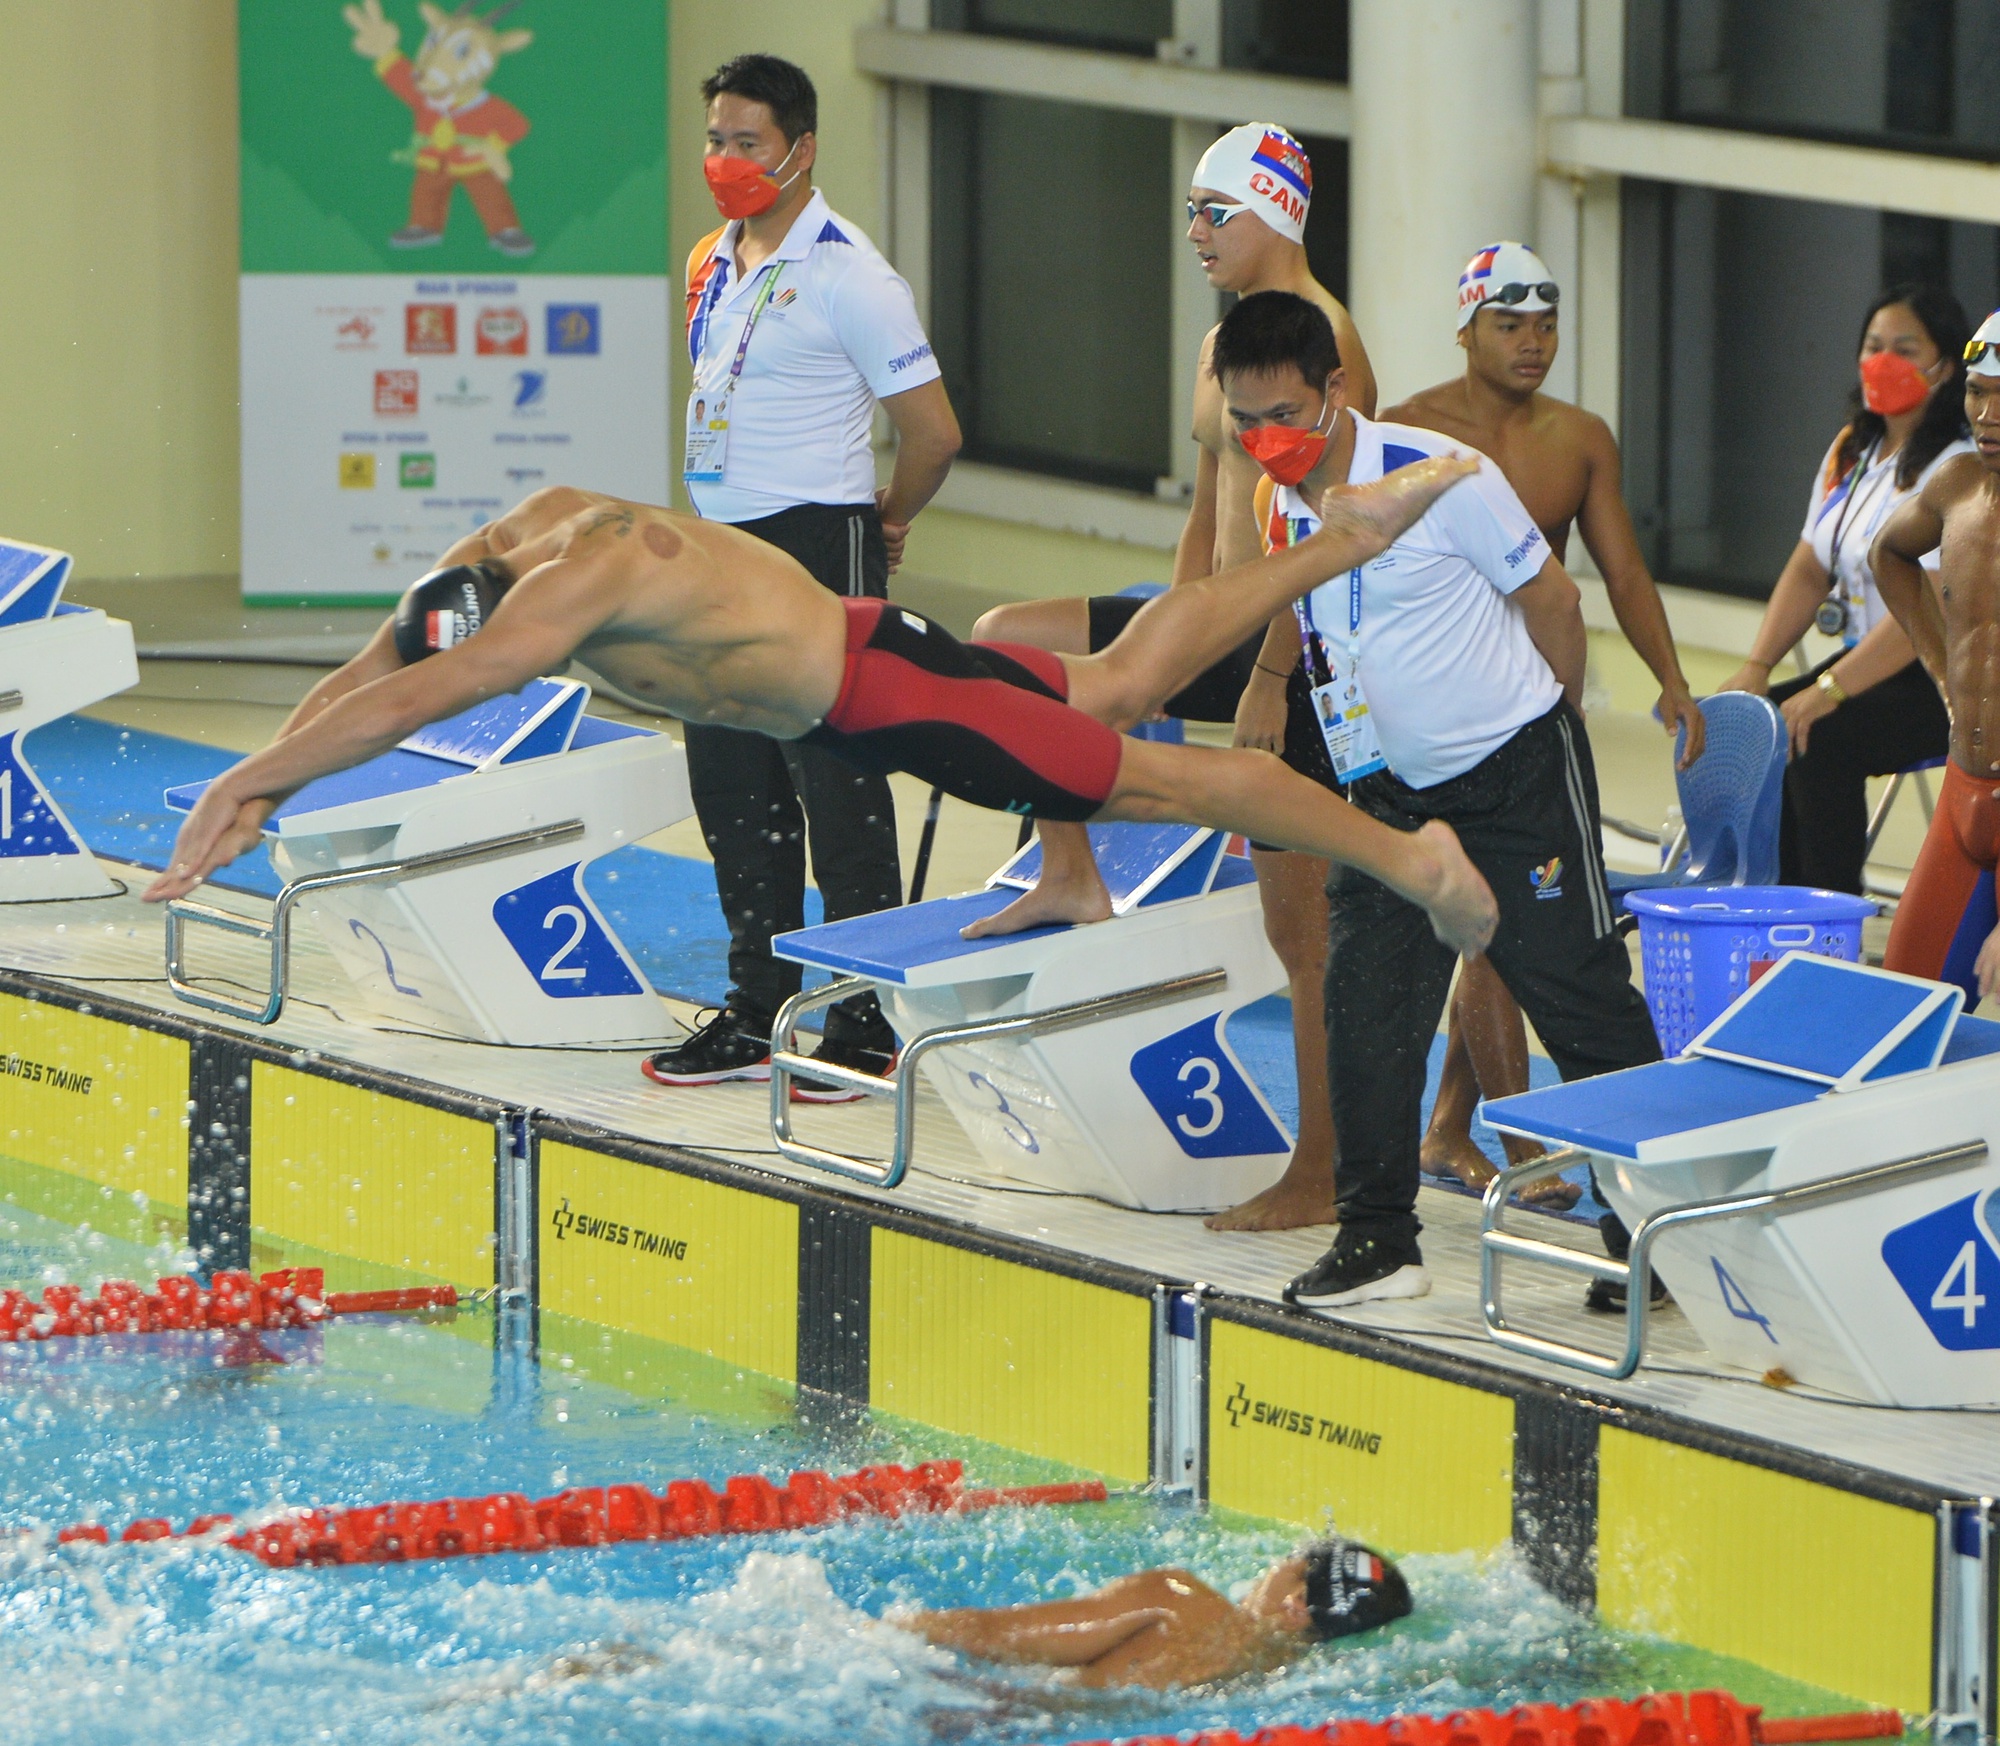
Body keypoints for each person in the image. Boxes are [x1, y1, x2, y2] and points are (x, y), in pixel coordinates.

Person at [140, 479, 1500, 1004]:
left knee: (1182, 776)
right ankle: (1348, 538)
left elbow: (431, 695)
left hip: (892, 699)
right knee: (1116, 673)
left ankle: (1414, 858)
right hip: (874, 643)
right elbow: (384, 669)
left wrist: (257, 780)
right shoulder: (497, 546)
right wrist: (254, 777)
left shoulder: (583, 574)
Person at [1135, 292, 1656, 1310]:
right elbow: (1313, 611)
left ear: (1335, 392)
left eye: (1281, 415)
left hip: (1514, 780)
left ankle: (1652, 1235)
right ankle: (1379, 1244)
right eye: (1242, 423)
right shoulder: (1276, 495)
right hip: (1384, 796)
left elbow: (1553, 603)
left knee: (1581, 1003)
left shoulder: (1441, 477)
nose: (1263, 440)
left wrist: (1551, 747)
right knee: (1364, 1007)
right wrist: (1277, 691)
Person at [969, 123, 1376, 1231]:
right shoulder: (1220, 346)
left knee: (1299, 935)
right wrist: (1156, 648)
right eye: (1189, 210)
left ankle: (1319, 1166)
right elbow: (1207, 515)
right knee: (1006, 642)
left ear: (1273, 212)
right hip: (1215, 630)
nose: (1191, 231)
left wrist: (1267, 679)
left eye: (1212, 210)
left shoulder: (1323, 344)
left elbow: (1329, 534)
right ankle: (1069, 871)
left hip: (1293, 653)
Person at [655, 54, 963, 1099]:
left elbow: (931, 432)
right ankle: (755, 1005)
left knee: (835, 788)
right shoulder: (710, 259)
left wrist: (885, 523)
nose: (724, 162)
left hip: (816, 544)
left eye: (745, 143)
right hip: (717, 545)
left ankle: (862, 1019)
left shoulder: (853, 277)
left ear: (800, 149)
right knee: (731, 786)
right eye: (714, 141)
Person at [1382, 242, 1704, 1206]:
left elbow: (1624, 572)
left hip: (1533, 717)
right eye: (1510, 325)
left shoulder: (1579, 437)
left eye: (1546, 325)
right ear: (1467, 328)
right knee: (1494, 931)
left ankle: (1451, 1130)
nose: (1533, 343)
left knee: (1515, 930)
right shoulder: (1407, 431)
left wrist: (1674, 681)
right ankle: (1522, 1151)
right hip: (1439, 719)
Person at [1719, 285, 1972, 894]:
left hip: (1941, 676)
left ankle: (1830, 921)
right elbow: (1811, 565)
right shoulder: (1852, 450)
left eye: (1905, 349)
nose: (1883, 362)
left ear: (1945, 367)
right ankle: (1775, 904)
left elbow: (1927, 610)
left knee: (1818, 738)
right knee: (1766, 723)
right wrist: (1758, 665)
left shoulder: (1959, 467)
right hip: (1867, 659)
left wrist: (1829, 690)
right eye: (1873, 346)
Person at [1869, 306, 2000, 1006]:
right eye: (1979, 391)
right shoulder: (1955, 488)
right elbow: (1886, 554)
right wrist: (1941, 668)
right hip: (1964, 793)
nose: (1988, 412)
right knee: (1904, 1010)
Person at [896, 1537, 1410, 1690]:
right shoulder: (1281, 1675)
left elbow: (991, 1636)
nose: (1273, 1570)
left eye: (1293, 1570)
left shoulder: (1181, 1601)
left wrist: (874, 1636)